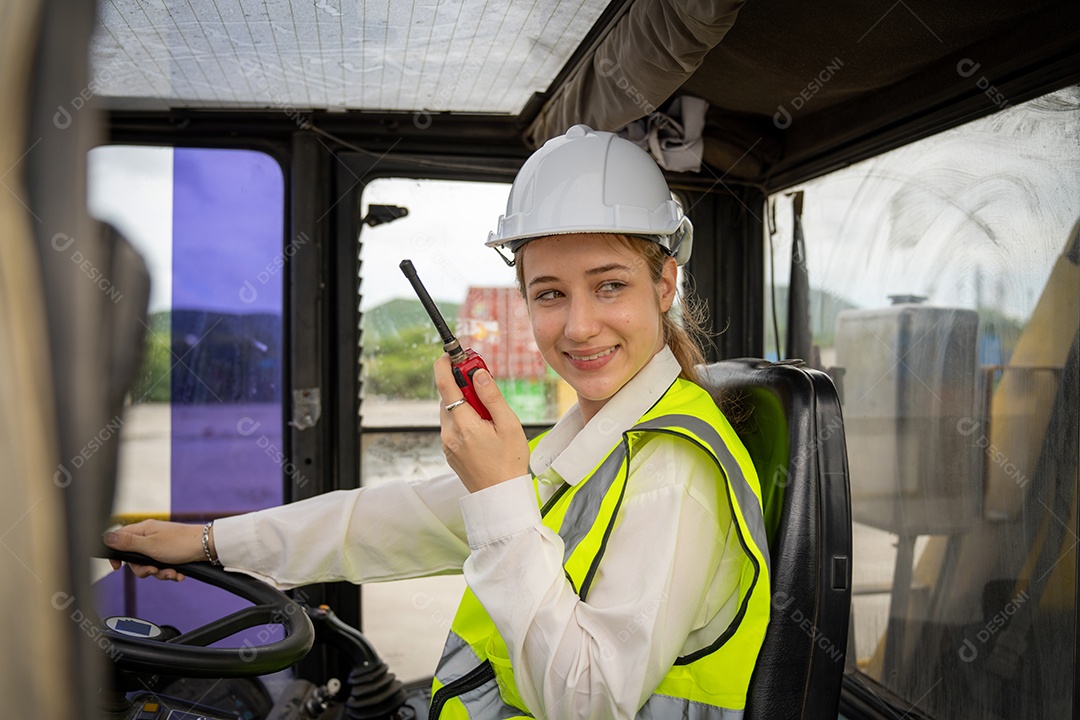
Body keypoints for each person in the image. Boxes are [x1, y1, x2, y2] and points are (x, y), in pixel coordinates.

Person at [105, 124, 771, 719]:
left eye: (610, 285)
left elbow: (584, 700)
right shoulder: (592, 446)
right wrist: (209, 542)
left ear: (664, 284)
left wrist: (499, 494)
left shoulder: (673, 469)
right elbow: (393, 521)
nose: (578, 326)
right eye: (550, 294)